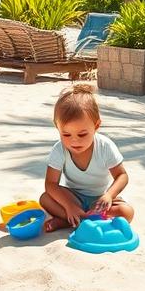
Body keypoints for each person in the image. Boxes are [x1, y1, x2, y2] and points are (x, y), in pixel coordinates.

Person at [39, 83, 133, 233]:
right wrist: (69, 206)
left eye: (82, 134)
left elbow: (122, 175)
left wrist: (109, 195)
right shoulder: (59, 149)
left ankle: (70, 220)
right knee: (45, 199)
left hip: (99, 199)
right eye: (66, 134)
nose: (74, 141)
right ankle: (77, 217)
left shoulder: (104, 146)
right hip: (73, 197)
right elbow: (51, 184)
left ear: (96, 126)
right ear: (57, 127)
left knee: (126, 212)